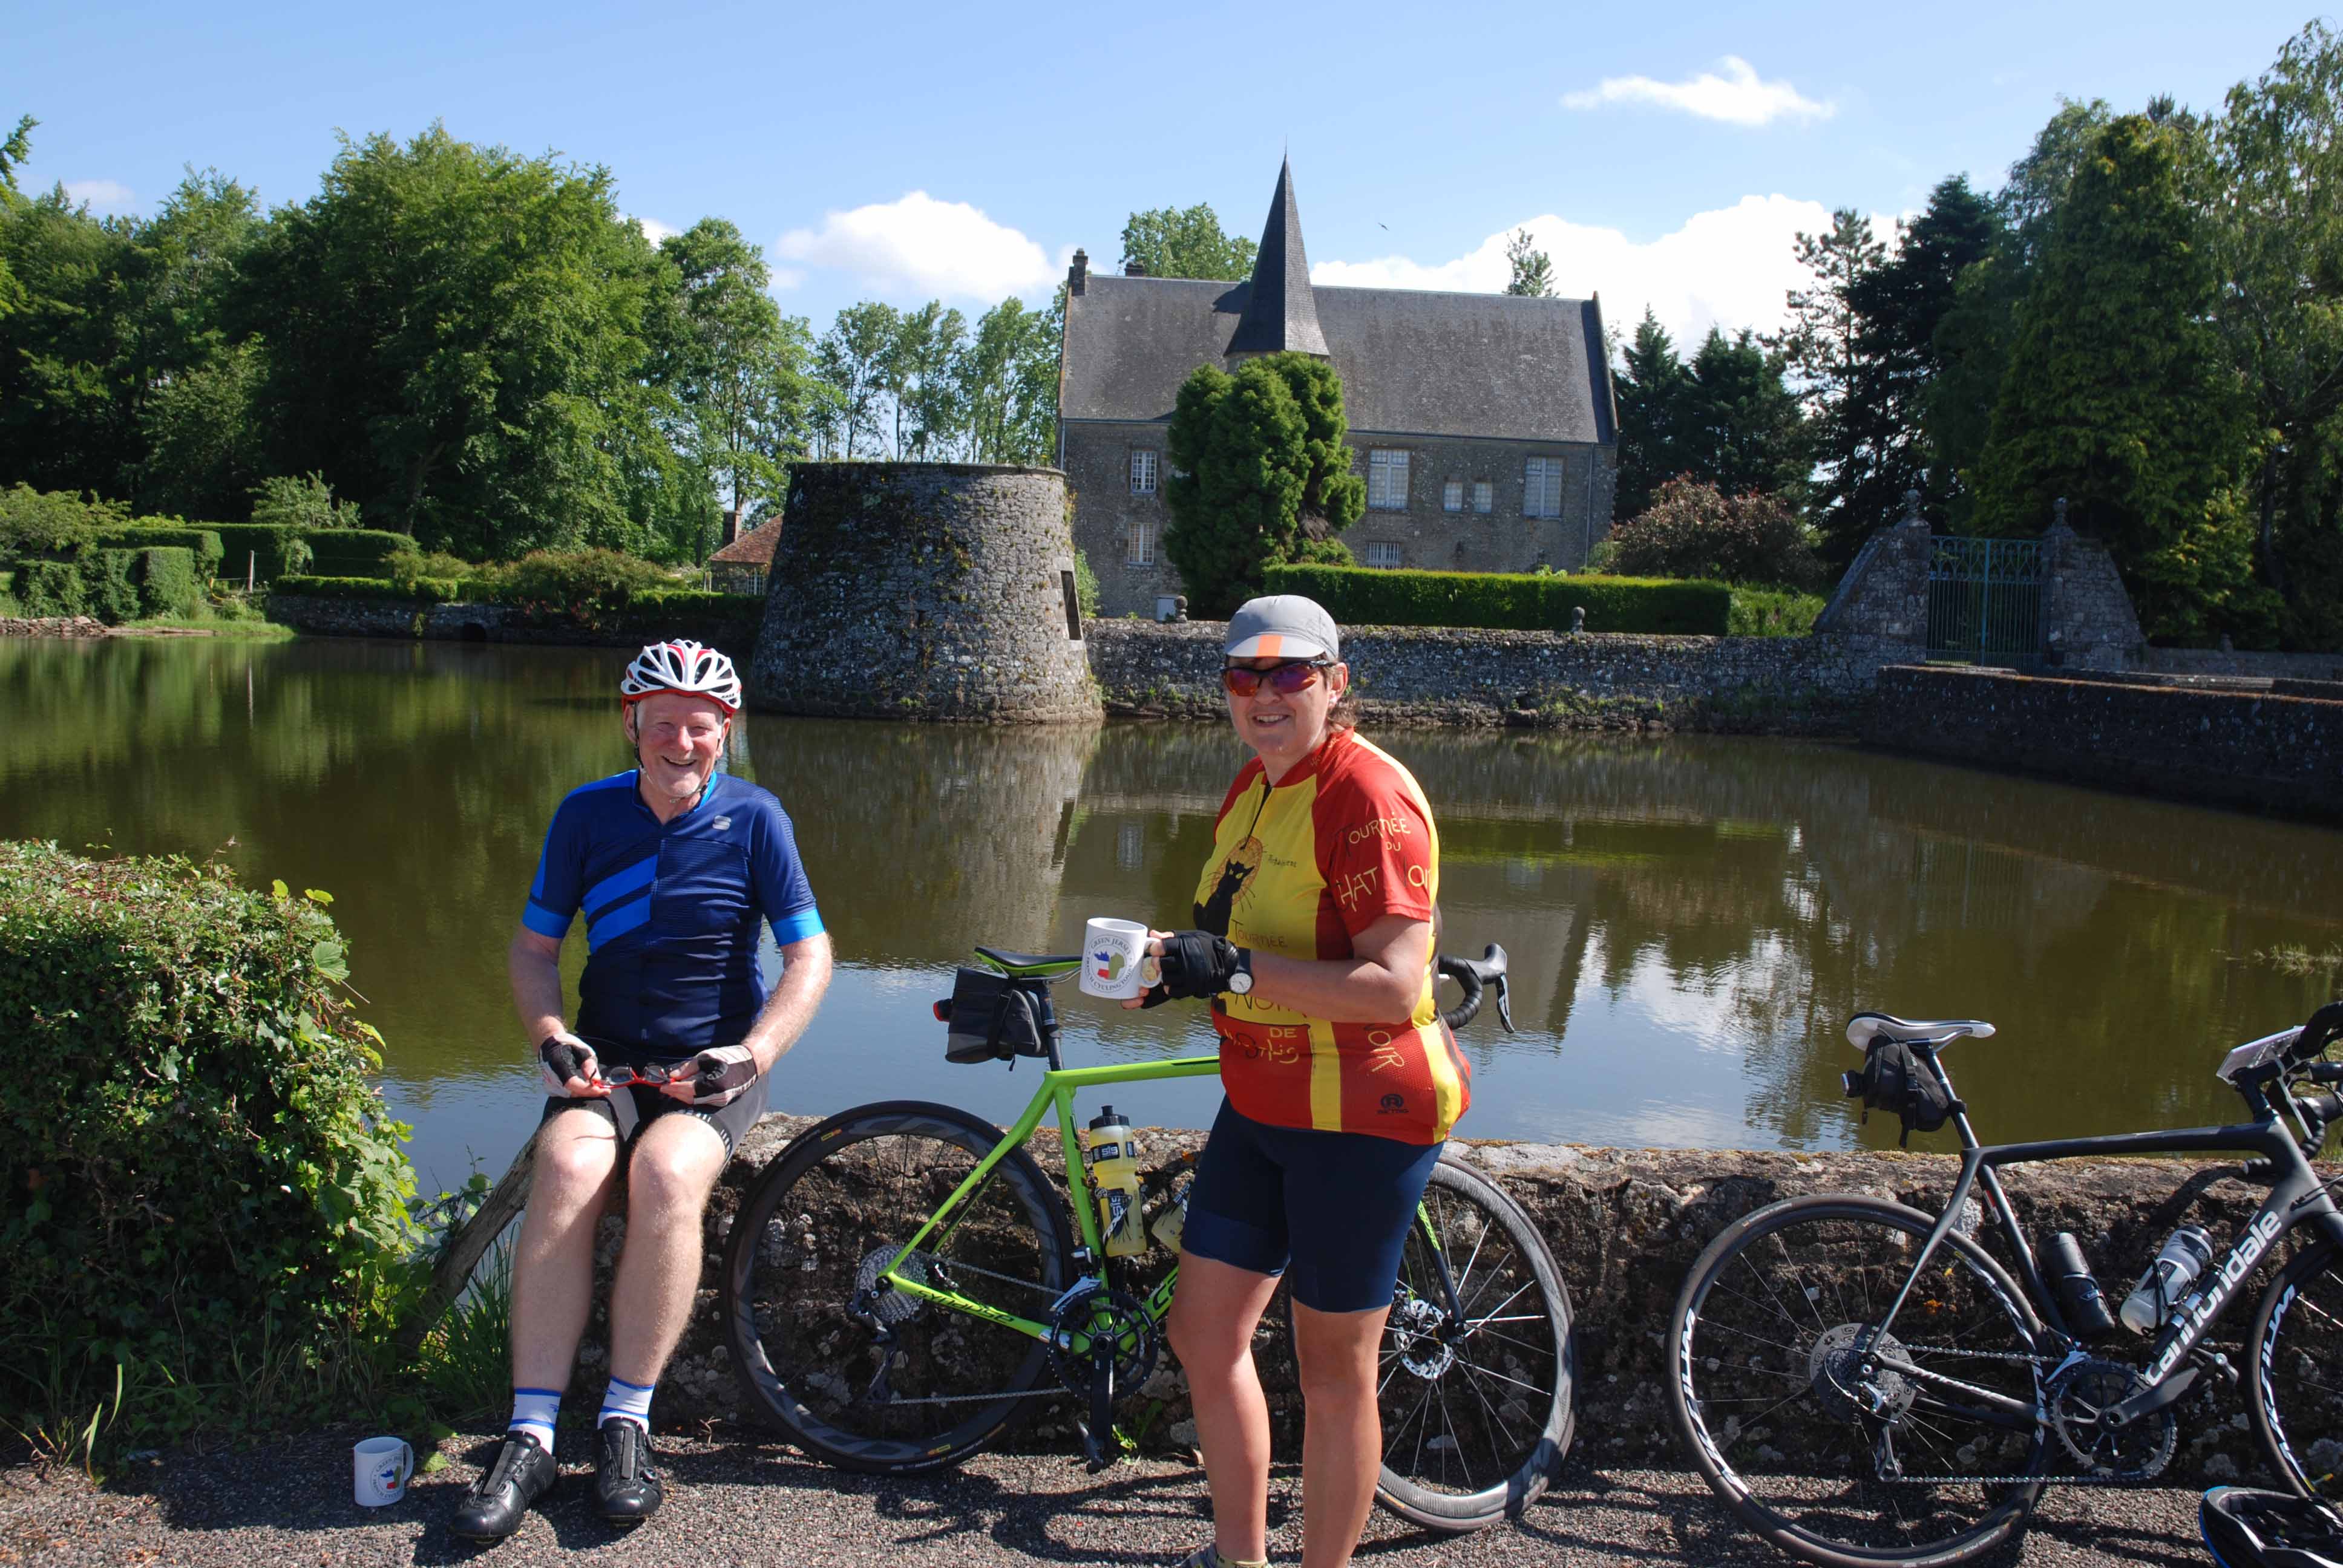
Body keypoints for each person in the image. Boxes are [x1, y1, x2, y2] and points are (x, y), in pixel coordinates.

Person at [453, 639, 833, 1542]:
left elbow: (809, 954)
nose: (681, 741)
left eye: (700, 726)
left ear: (724, 733)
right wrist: (552, 1038)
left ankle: (628, 1420)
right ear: (631, 725)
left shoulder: (757, 819)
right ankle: (533, 1434)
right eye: (662, 723)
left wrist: (752, 1053)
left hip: (711, 1062)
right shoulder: (585, 815)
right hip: (610, 1057)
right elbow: (533, 950)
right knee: (571, 1163)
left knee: (665, 1177)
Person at [1128, 595, 1469, 1568]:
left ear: (1336, 686)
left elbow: (1396, 984)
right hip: (1264, 1099)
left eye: (1292, 676)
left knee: (1333, 1373)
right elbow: (1248, 941)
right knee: (1203, 1334)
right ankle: (1242, 1560)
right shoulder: (1257, 785)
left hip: (1362, 1112)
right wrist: (1175, 975)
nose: (1266, 696)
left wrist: (1226, 970)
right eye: (1245, 677)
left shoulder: (1367, 794)